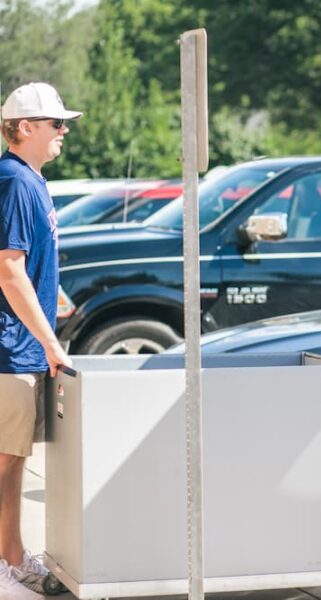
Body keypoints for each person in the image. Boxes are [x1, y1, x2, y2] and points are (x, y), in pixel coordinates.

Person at [0, 82, 78, 599]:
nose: (64, 131)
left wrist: (56, 295)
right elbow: (9, 270)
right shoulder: (15, 181)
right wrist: (51, 342)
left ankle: (11, 556)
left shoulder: (30, 179)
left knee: (12, 460)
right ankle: (9, 560)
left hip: (19, 348)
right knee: (4, 460)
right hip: (11, 350)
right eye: (55, 124)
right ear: (24, 128)